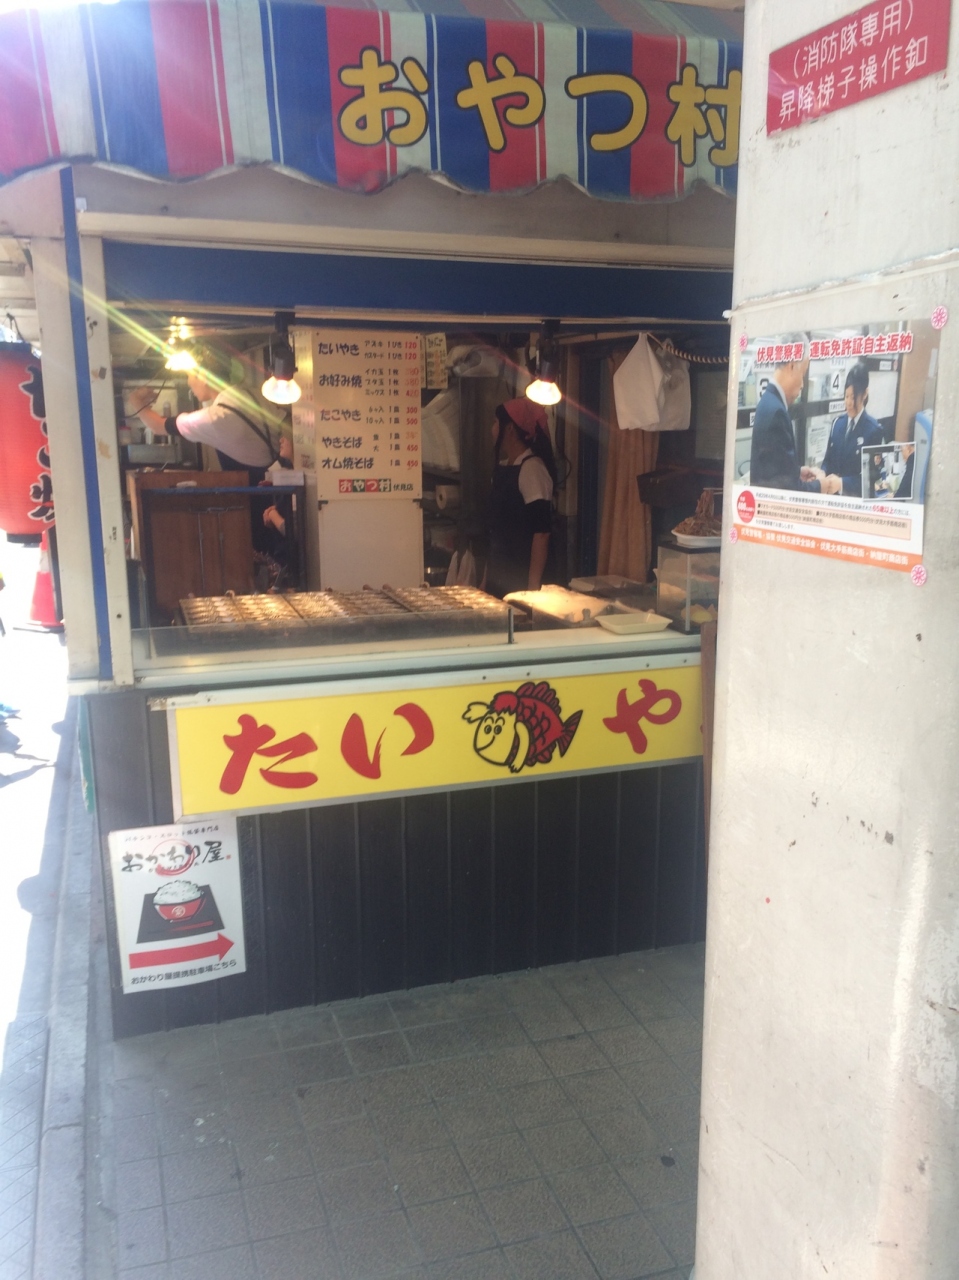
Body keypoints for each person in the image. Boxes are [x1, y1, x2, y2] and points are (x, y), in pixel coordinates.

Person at [126, 346, 284, 483]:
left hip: (253, 497)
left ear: (203, 376)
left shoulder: (215, 418)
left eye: (190, 375)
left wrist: (135, 401)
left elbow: (158, 426)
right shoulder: (254, 395)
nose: (189, 382)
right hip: (279, 488)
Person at [485, 398, 556, 598]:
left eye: (495, 422)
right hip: (500, 577)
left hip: (522, 579)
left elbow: (541, 534)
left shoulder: (532, 469)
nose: (492, 429)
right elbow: (496, 532)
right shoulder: (503, 467)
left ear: (509, 429)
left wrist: (532, 590)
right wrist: (485, 581)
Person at [750, 338, 840, 494]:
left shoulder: (768, 401)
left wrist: (796, 472)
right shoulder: (777, 412)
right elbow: (788, 490)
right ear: (792, 366)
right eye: (803, 373)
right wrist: (821, 486)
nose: (803, 384)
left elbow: (774, 472)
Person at [819, 363, 883, 497]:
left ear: (865, 394)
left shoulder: (873, 430)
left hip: (854, 502)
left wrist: (842, 483)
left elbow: (870, 479)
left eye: (853, 397)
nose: (848, 403)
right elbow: (827, 460)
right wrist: (822, 473)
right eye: (846, 396)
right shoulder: (837, 423)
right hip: (832, 499)